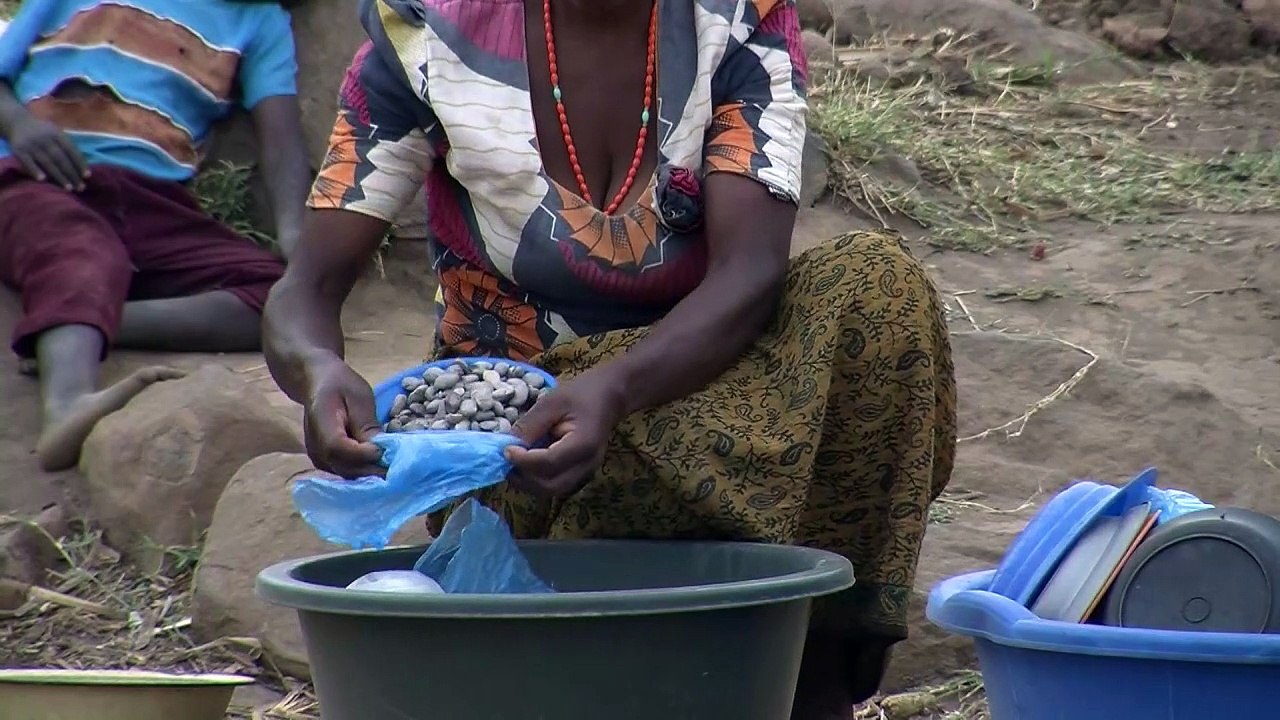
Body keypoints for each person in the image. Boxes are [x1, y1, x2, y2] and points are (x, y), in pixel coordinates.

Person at [264, 0, 956, 716]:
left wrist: (617, 389)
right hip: (525, 442)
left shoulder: (739, 21)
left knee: (879, 287)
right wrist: (318, 370)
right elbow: (305, 289)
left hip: (689, 379)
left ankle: (808, 677)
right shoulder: (427, 32)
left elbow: (749, 275)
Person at [0, 0, 312, 472]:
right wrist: (20, 124)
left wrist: (294, 234)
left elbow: (282, 136)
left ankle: (89, 320)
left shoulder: (257, 19)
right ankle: (67, 407)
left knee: (281, 300)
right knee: (82, 252)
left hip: (153, 201)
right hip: (38, 177)